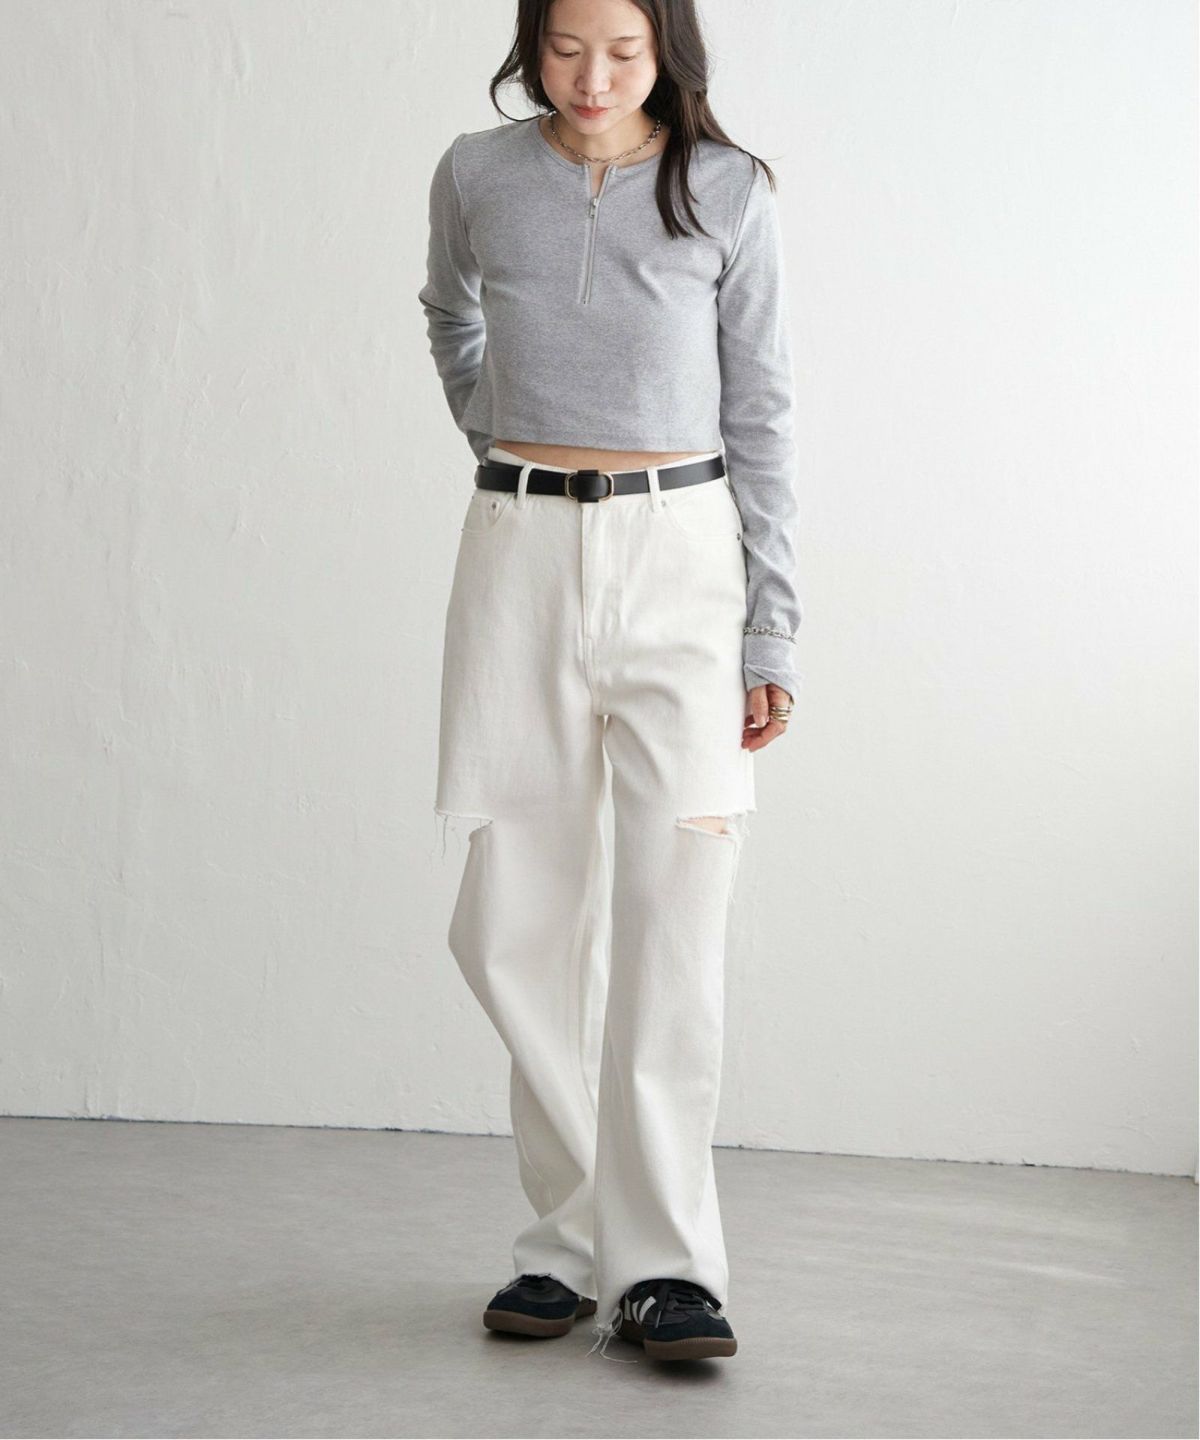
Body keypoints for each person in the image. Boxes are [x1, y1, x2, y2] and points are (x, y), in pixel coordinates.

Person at [417, 0, 802, 1364]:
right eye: (568, 47)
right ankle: (567, 1241)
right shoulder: (477, 173)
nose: (593, 77)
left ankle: (669, 1267)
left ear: (666, 53)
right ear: (532, 44)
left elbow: (761, 411)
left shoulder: (727, 190)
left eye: (624, 52)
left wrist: (773, 631)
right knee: (514, 917)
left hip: (683, 555)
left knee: (675, 912)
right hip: (518, 548)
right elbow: (449, 316)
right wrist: (503, 431)